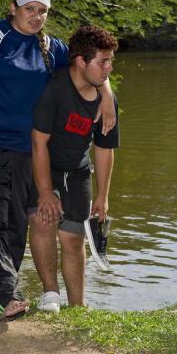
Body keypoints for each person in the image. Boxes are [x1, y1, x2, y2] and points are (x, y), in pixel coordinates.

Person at [0, 0, 116, 327]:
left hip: (24, 150)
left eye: (42, 11)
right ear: (13, 7)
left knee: (14, 226)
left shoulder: (51, 48)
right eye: (29, 9)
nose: (36, 16)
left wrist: (108, 95)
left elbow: (91, 64)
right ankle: (5, 297)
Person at [29, 25, 120, 312]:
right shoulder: (54, 90)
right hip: (46, 167)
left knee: (73, 239)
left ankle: (77, 307)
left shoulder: (107, 102)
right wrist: (45, 192)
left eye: (110, 61)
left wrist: (103, 197)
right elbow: (38, 144)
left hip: (79, 172)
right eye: (102, 62)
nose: (109, 68)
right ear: (81, 61)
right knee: (44, 222)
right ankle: (50, 294)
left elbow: (104, 150)